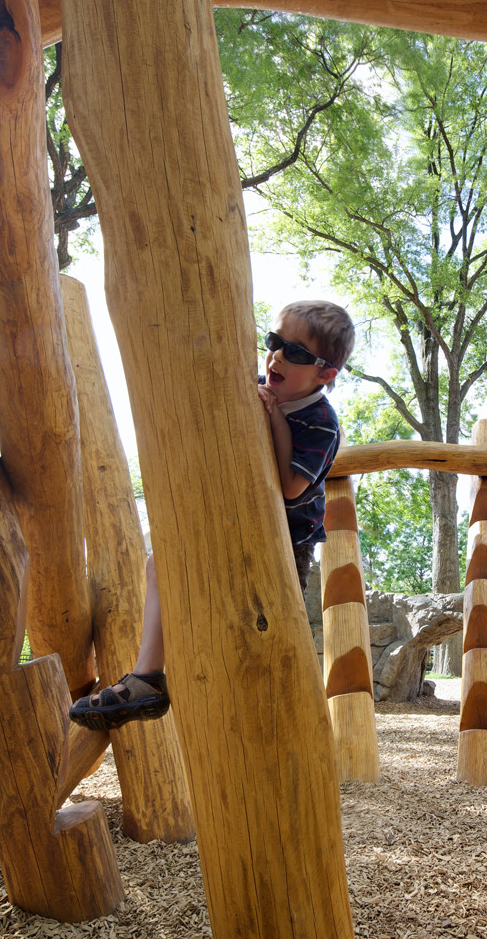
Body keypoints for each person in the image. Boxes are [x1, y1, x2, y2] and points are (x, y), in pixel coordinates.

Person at [70, 299, 355, 731]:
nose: (276, 356)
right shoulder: (254, 386)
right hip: (232, 525)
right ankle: (148, 677)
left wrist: (274, 417)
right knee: (160, 565)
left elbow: (290, 486)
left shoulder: (320, 421)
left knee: (265, 638)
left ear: (325, 373)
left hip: (283, 548)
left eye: (294, 352)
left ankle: (281, 722)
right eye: (274, 342)